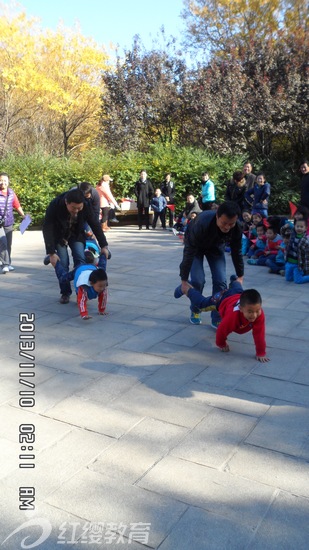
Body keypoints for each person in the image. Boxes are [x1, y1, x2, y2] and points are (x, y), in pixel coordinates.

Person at [178, 201, 244, 327]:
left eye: (231, 224)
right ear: (217, 216)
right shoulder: (202, 223)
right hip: (195, 248)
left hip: (215, 248)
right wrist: (184, 280)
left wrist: (240, 275)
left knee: (220, 281)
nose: (227, 227)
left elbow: (237, 251)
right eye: (224, 223)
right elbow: (188, 253)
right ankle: (196, 309)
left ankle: (217, 315)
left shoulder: (237, 228)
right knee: (198, 280)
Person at [175, 277, 269, 362]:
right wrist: (221, 344)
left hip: (238, 293)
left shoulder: (259, 315)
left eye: (257, 310)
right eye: (250, 312)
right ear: (240, 308)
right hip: (223, 298)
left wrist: (261, 352)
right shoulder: (232, 317)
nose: (254, 315)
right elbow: (221, 331)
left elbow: (259, 334)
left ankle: (235, 280)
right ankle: (186, 289)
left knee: (238, 289)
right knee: (202, 305)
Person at [42, 188, 109, 304]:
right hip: (59, 236)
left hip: (76, 234)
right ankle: (65, 292)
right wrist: (51, 253)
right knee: (63, 263)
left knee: (80, 261)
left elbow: (95, 224)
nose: (77, 211)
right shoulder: (55, 205)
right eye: (73, 208)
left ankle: (82, 290)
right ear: (66, 202)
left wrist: (104, 246)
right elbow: (47, 228)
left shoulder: (86, 205)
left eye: (79, 208)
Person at [48, 251, 108, 319]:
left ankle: (104, 253)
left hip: (93, 267)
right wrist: (84, 314)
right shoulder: (84, 286)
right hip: (79, 269)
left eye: (104, 285)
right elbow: (81, 301)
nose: (102, 288)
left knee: (102, 268)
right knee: (63, 279)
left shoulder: (103, 285)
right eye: (100, 286)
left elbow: (103, 298)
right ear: (91, 283)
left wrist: (101, 310)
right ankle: (55, 260)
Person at [0, 172, 26, 274]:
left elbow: (17, 205)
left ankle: (8, 262)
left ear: (8, 182)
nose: (2, 183)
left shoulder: (11, 193)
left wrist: (23, 216)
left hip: (8, 222)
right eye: (1, 180)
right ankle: (5, 264)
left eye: (5, 181)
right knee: (2, 242)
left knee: (8, 243)